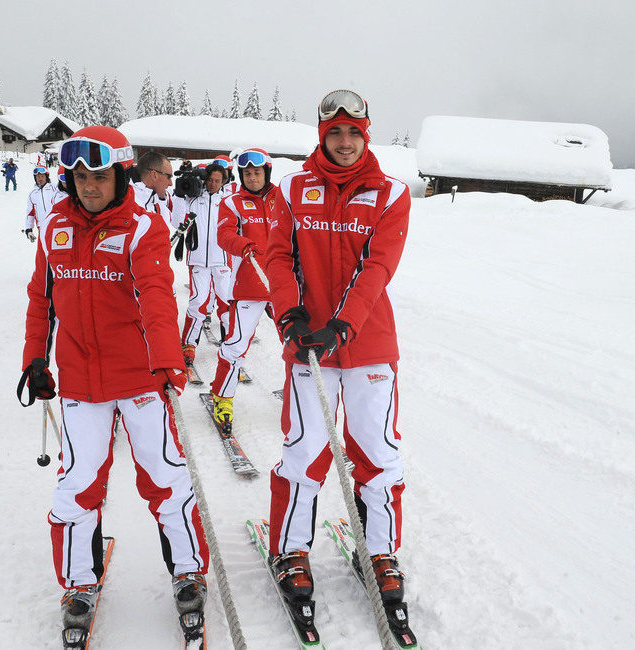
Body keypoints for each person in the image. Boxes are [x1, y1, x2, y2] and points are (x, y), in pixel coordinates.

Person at [19, 125, 209, 638]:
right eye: (79, 176)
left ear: (122, 174)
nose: (87, 185)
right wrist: (35, 359)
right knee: (77, 485)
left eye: (99, 175)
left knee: (165, 477)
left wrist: (169, 360)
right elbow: (42, 298)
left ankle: (189, 572)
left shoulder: (143, 228)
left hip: (141, 379)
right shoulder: (57, 226)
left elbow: (156, 295)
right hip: (80, 382)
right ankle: (81, 580)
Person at [265, 90, 412, 609]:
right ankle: (290, 550)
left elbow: (378, 267)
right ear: (321, 134)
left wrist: (343, 325)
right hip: (308, 345)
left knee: (377, 452)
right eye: (335, 133)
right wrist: (290, 310)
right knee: (304, 451)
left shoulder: (391, 193)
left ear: (365, 134)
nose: (344, 142)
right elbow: (277, 256)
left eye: (354, 132)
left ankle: (380, 552)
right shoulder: (291, 189)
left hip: (368, 344)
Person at [208, 148, 277, 427]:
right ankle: (222, 397)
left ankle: (304, 399)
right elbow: (224, 235)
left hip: (284, 285)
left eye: (257, 172)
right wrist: (242, 244)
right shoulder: (233, 202)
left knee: (298, 346)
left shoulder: (283, 199)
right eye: (246, 173)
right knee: (235, 345)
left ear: (267, 173)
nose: (252, 177)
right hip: (249, 285)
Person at [179, 163, 232, 373]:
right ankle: (189, 345)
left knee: (227, 302)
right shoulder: (193, 198)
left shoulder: (227, 201)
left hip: (222, 261)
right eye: (210, 180)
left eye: (217, 181)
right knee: (198, 301)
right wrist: (179, 195)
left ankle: (230, 344)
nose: (212, 184)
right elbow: (177, 222)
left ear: (223, 182)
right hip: (199, 259)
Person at [23, 165, 64, 242]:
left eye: (42, 176)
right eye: (37, 177)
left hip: (58, 225)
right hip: (42, 228)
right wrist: (29, 229)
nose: (40, 178)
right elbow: (30, 213)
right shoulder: (32, 194)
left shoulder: (55, 188)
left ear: (46, 176)